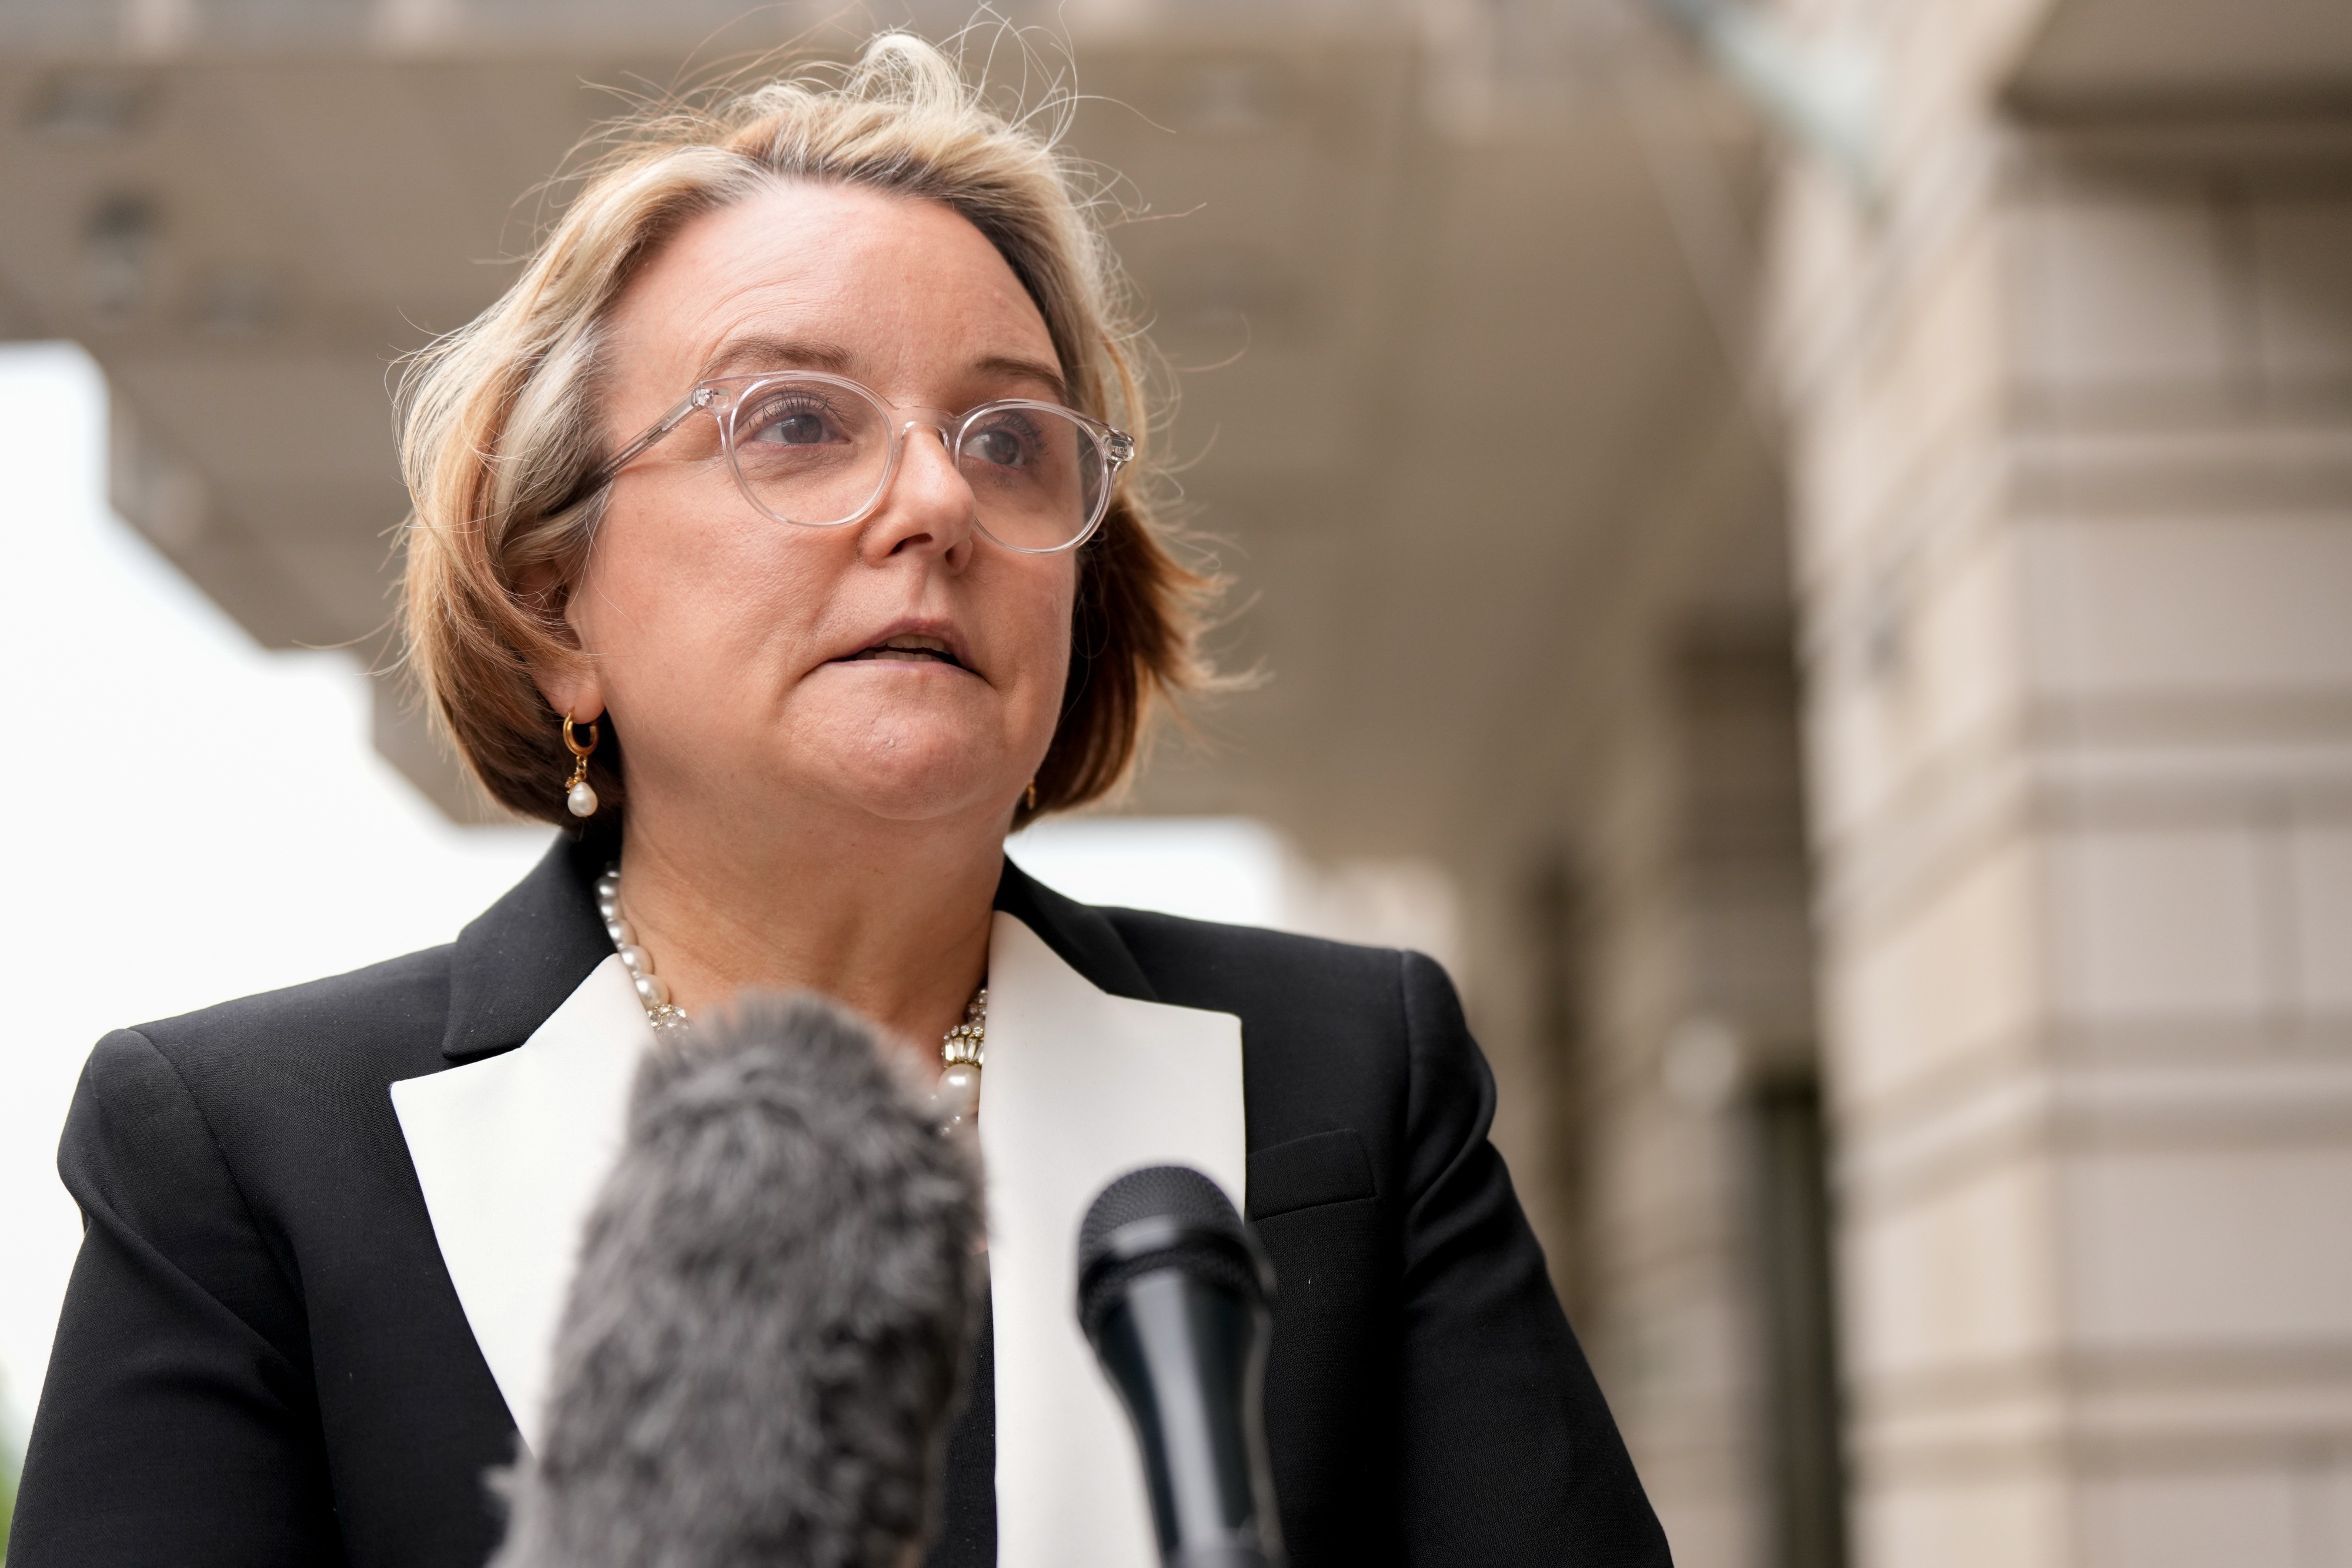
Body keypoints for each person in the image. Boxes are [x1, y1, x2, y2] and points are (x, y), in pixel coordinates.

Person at [9, 33, 1668, 1568]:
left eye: (1014, 441)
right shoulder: (245, 1152)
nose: (939, 498)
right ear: (552, 603)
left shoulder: (1349, 1074)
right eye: (796, 421)